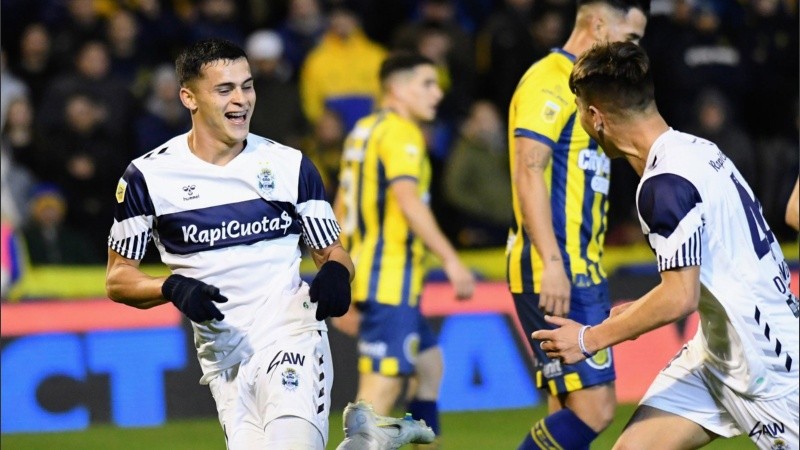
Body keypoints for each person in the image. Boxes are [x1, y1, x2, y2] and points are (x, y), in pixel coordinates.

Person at [105, 38, 432, 450]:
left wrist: (336, 272)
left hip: (291, 333)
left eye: (247, 85)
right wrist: (169, 286)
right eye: (225, 89)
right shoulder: (147, 178)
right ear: (189, 97)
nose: (241, 99)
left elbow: (333, 251)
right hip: (224, 359)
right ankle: (369, 442)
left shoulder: (289, 166)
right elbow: (118, 278)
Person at [535, 41, 799, 450]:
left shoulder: (663, 186)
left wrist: (591, 339)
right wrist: (637, 310)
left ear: (595, 116)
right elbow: (694, 276)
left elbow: (679, 298)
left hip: (770, 368)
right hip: (717, 355)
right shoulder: (697, 149)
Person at [505, 1, 649, 448]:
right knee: (597, 408)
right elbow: (528, 168)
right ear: (599, 23)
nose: (633, 51)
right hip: (557, 267)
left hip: (580, 265)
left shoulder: (591, 91)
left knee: (566, 411)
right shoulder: (549, 79)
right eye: (629, 39)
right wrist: (551, 261)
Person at [332, 52, 476, 447]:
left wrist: (340, 276)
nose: (437, 93)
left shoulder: (363, 129)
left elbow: (341, 208)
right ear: (396, 88)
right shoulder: (402, 133)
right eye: (427, 84)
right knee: (375, 401)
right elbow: (408, 200)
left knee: (430, 368)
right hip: (389, 279)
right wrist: (451, 259)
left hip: (373, 275)